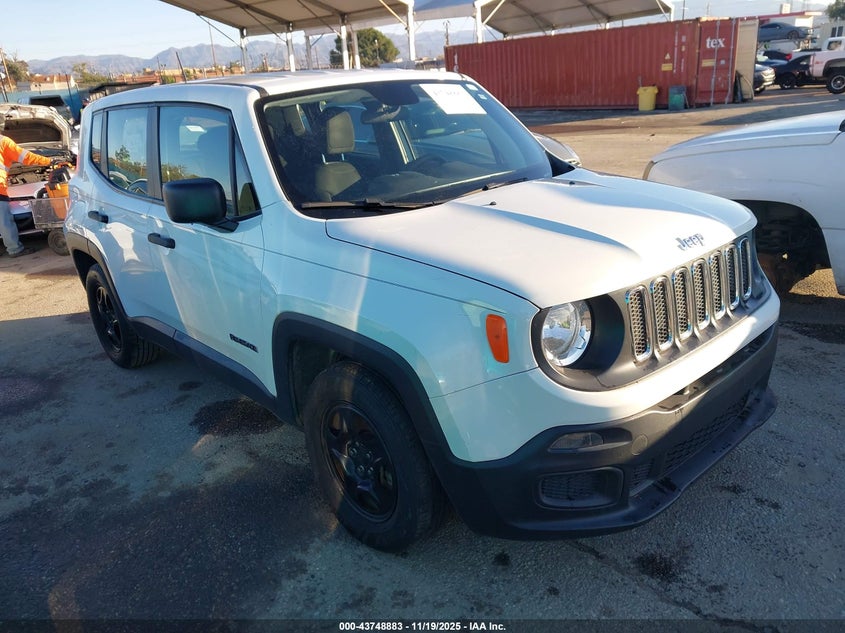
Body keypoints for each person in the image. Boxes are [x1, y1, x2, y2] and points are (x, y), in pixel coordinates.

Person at [0, 133, 52, 257]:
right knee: (4, 221)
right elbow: (26, 157)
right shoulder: (3, 141)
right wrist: (49, 161)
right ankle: (14, 249)